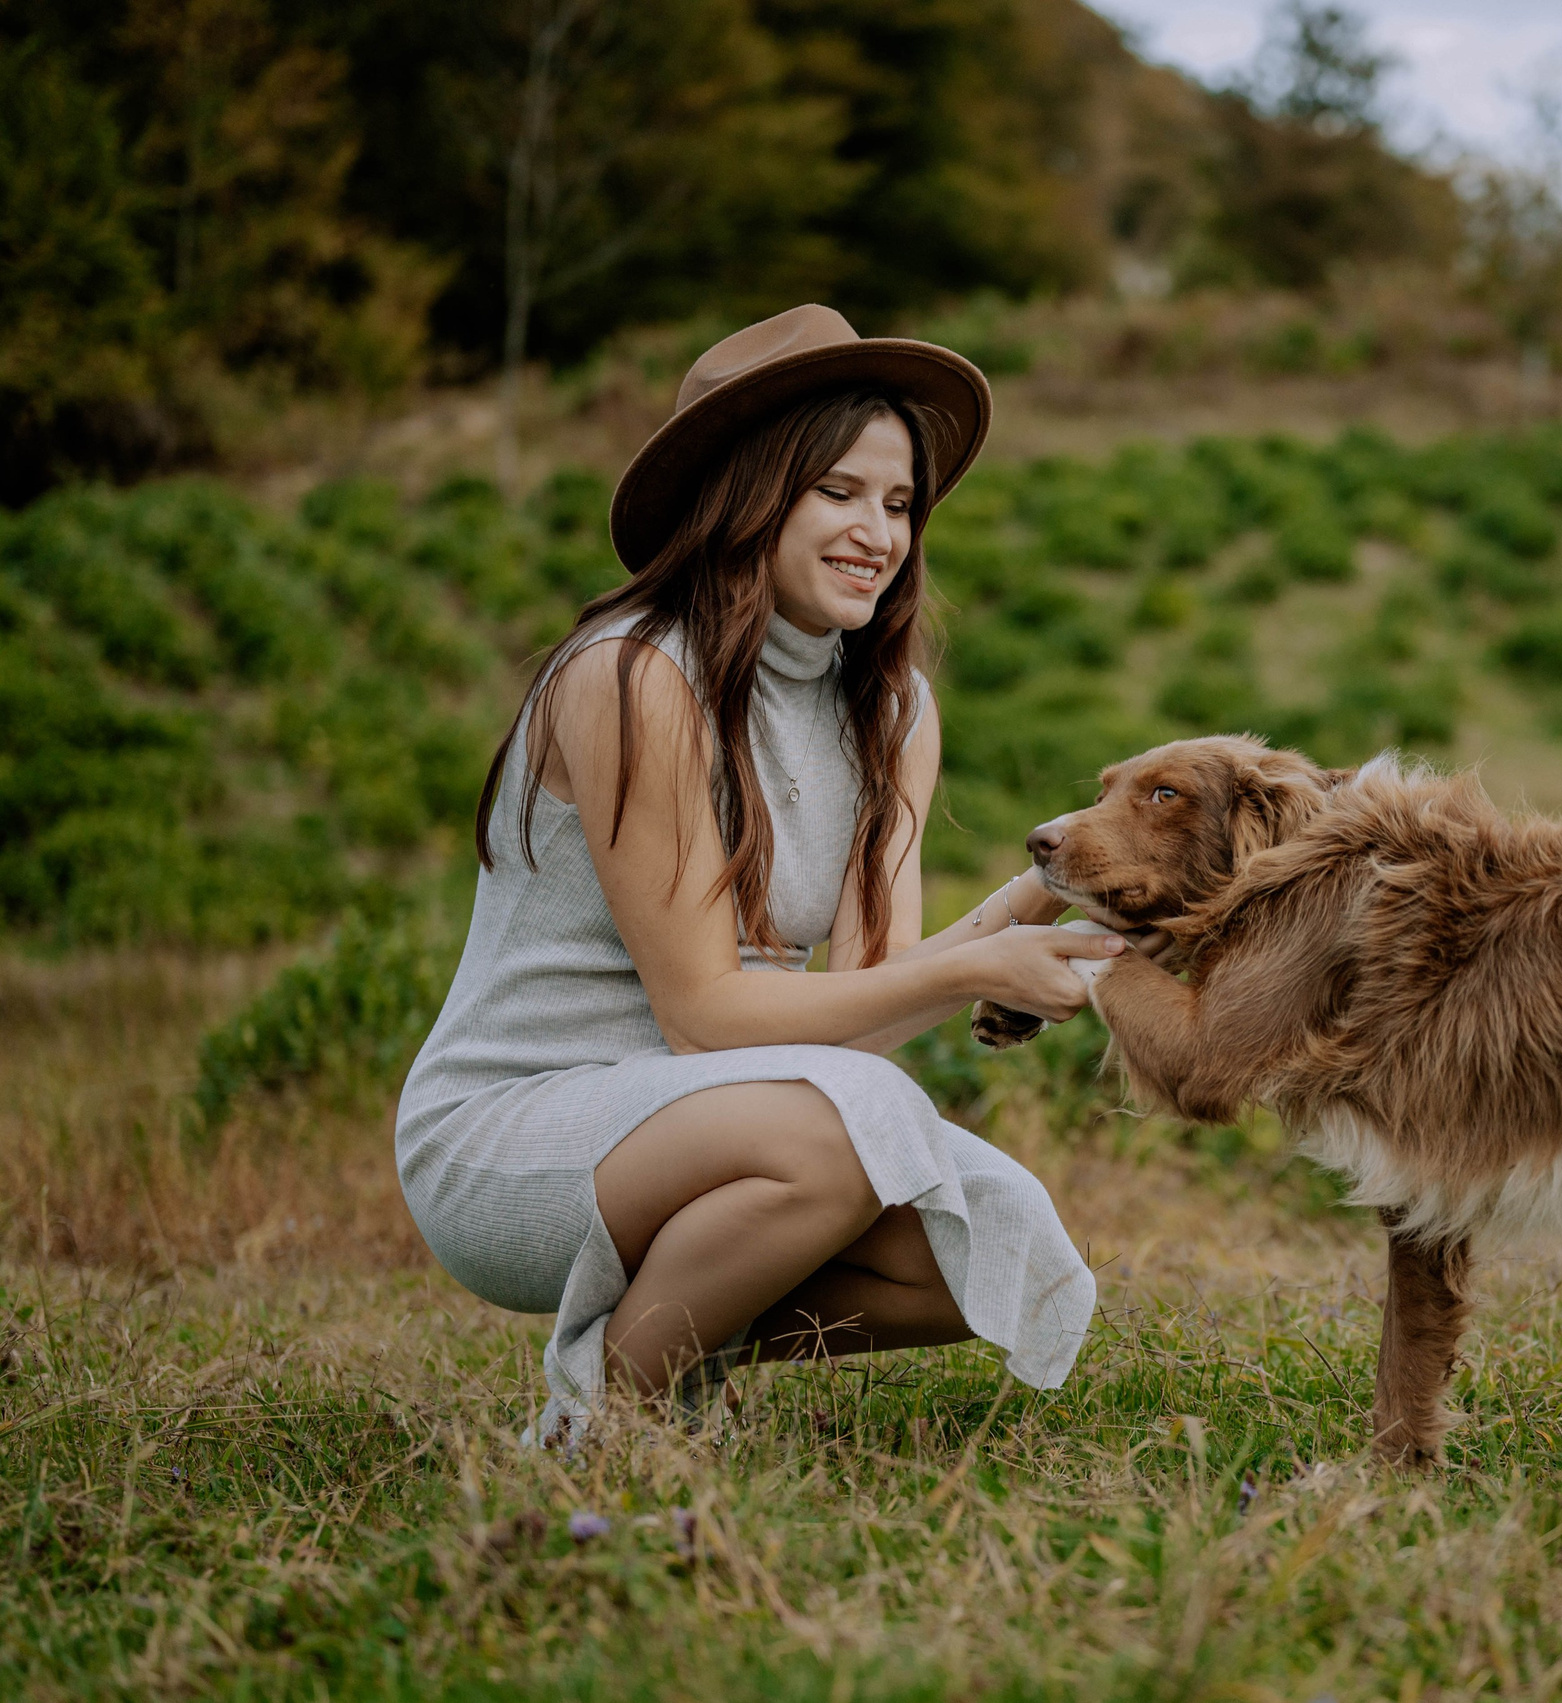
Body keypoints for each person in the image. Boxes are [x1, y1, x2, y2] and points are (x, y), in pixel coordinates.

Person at [395, 305, 1119, 1447]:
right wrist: (981, 964)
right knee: (849, 1131)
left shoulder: (890, 708)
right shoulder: (634, 674)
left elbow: (866, 999)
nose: (878, 532)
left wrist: (1051, 894)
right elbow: (705, 1014)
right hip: (518, 1130)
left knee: (992, 1239)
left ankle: (665, 1335)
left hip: (733, 1113)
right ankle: (610, 1425)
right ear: (746, 492)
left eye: (897, 503)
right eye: (837, 491)